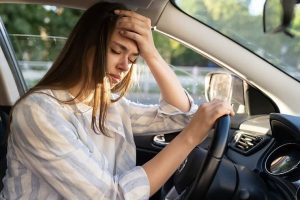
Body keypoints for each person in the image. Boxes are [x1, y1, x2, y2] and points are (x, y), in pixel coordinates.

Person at [0, 2, 234, 200]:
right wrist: (190, 138)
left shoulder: (108, 105)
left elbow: (180, 115)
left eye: (133, 59)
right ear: (85, 48)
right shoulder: (38, 112)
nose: (124, 66)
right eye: (115, 50)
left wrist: (151, 53)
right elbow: (112, 196)